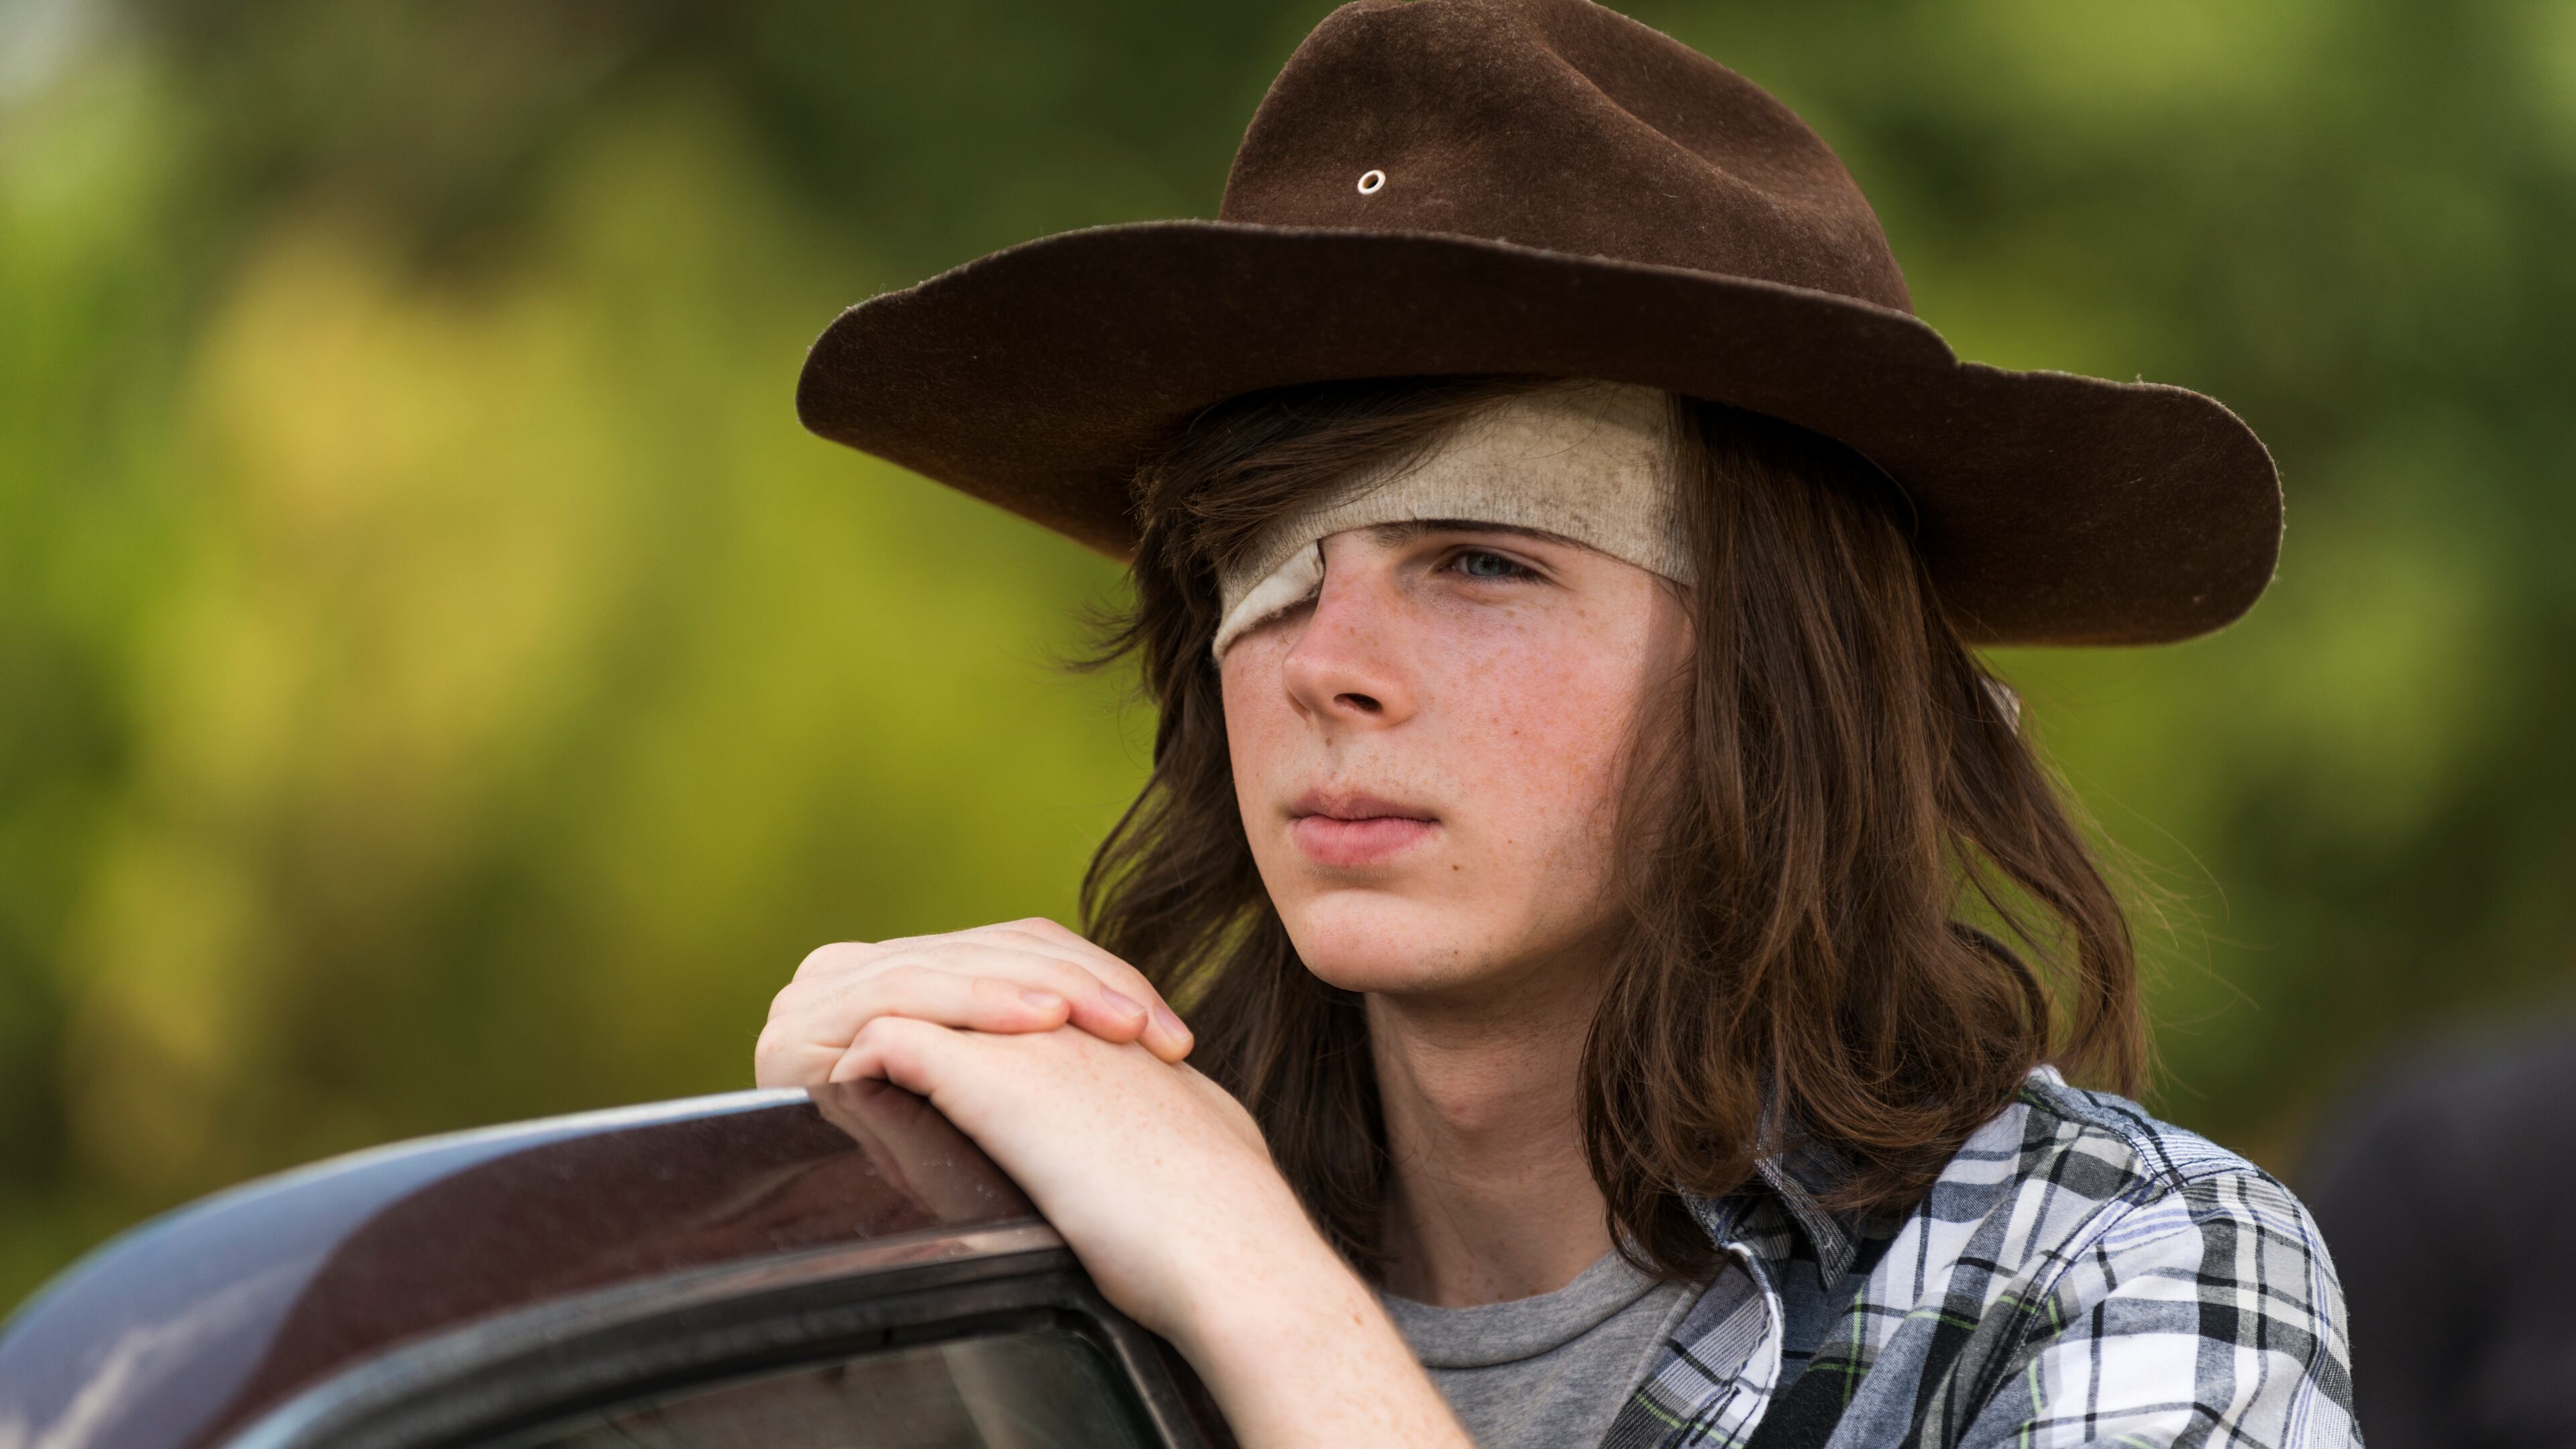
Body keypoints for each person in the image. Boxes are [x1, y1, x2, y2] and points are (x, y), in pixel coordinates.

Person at [759, 1, 2359, 1444]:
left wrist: (1257, 1287)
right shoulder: (1027, 1268)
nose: (1330, 665)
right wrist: (785, 1240)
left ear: (1779, 673)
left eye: (1480, 560)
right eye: (1264, 571)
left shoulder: (2114, 1271)